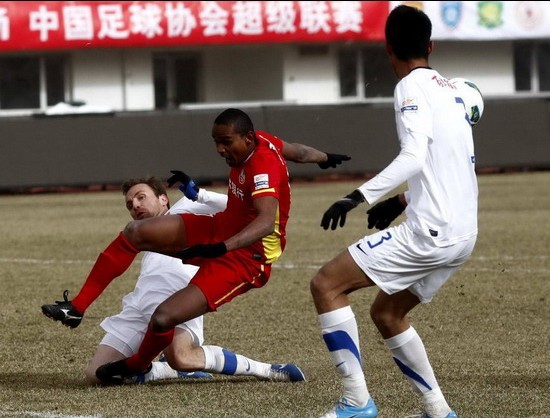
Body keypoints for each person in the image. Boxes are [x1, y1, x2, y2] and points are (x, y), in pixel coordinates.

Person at [41, 107, 351, 383]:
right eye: (215, 142)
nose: (219, 149)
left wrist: (221, 248)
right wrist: (325, 158)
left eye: (225, 142)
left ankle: (138, 366)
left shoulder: (262, 168)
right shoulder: (262, 139)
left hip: (247, 258)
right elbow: (297, 151)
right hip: (222, 228)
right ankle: (77, 307)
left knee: (164, 318)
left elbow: (265, 222)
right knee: (134, 232)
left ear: (247, 139)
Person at [311, 5, 478, 418]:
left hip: (431, 233)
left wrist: (358, 196)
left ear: (388, 50)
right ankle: (438, 410)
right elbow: (446, 163)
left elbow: (414, 155)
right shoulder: (454, 90)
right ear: (430, 46)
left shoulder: (409, 88)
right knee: (387, 313)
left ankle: (356, 403)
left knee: (326, 285)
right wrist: (401, 201)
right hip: (463, 235)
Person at [85, 176, 305, 385]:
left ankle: (267, 370)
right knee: (96, 374)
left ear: (163, 198)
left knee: (181, 357)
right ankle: (160, 370)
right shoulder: (145, 236)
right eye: (130, 204)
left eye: (141, 197)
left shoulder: (186, 208)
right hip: (138, 305)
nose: (135, 205)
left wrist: (201, 194)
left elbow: (240, 208)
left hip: (174, 299)